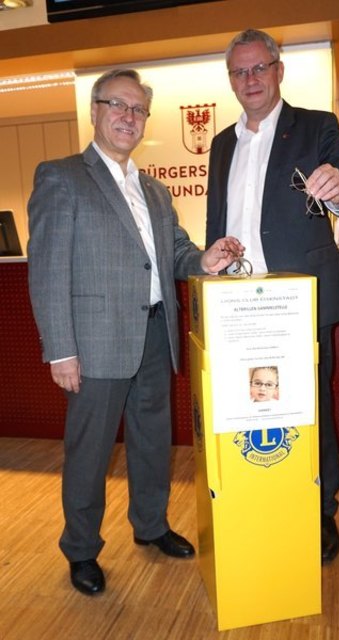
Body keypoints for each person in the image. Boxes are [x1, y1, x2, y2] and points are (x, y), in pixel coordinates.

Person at [27, 68, 243, 596]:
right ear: (95, 112)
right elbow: (48, 268)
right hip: (95, 343)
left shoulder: (155, 189)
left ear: (146, 120)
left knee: (151, 445)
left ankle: (150, 526)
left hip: (154, 334)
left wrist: (206, 260)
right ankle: (81, 550)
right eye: (117, 106)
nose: (128, 117)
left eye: (137, 110)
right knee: (90, 453)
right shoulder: (62, 176)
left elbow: (176, 254)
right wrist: (60, 350)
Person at [205, 29, 339, 564]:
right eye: (239, 72)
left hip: (296, 301)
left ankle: (321, 512)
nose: (250, 80)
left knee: (310, 409)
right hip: (238, 301)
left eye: (259, 68)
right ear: (231, 79)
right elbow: (217, 220)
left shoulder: (316, 126)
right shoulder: (222, 143)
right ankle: (261, 501)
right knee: (249, 409)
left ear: (278, 71)